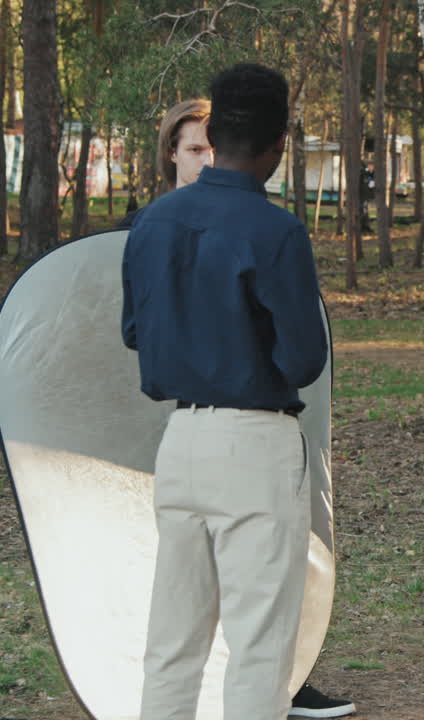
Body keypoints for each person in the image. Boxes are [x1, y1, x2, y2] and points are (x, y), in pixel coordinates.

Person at [119, 94, 357, 720]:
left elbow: (135, 332)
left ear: (215, 140)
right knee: (258, 646)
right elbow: (306, 359)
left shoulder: (151, 223)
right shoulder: (275, 230)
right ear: (278, 146)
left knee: (172, 644)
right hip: (254, 441)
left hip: (179, 442)